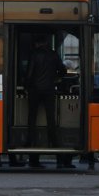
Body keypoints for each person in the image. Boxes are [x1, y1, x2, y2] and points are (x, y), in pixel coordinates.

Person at [25, 36, 67, 169]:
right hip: (49, 90)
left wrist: (27, 87)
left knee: (32, 121)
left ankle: (32, 156)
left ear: (38, 43)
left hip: (35, 91)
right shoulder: (53, 55)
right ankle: (59, 158)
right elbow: (63, 70)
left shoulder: (34, 54)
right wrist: (55, 78)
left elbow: (29, 74)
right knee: (51, 122)